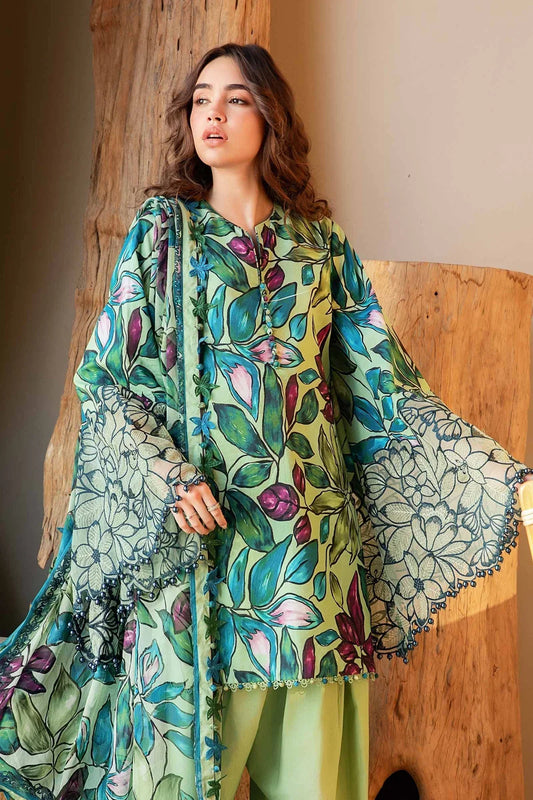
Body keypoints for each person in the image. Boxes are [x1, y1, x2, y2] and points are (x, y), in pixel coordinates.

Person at [0, 42, 531, 800]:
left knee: (318, 785)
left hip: (313, 562)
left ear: (271, 116)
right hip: (203, 560)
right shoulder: (164, 234)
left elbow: (384, 388)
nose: (212, 113)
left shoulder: (319, 247)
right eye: (200, 100)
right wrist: (170, 478)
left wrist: (503, 481)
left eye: (236, 98)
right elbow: (106, 380)